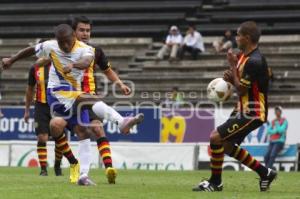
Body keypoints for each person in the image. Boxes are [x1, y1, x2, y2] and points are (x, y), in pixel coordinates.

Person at [1, 24, 144, 185]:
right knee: (87, 101)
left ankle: (83, 175)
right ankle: (121, 122)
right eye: (62, 43)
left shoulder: (86, 49)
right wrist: (11, 60)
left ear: (73, 38)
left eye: (68, 42)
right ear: (58, 41)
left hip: (74, 93)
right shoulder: (51, 46)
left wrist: (73, 65)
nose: (65, 46)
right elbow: (31, 50)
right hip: (57, 93)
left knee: (83, 132)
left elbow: (86, 61)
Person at [193, 21, 276, 192]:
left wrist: (232, 68)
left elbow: (241, 88)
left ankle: (215, 183)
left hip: (254, 111)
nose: (236, 37)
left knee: (215, 137)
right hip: (243, 108)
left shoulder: (255, 60)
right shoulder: (244, 56)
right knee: (228, 146)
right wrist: (231, 75)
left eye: (238, 35)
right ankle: (265, 172)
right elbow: (238, 82)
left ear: (247, 38)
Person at [71, 15, 132, 184]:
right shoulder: (64, 50)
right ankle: (78, 172)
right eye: (81, 30)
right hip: (69, 98)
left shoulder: (95, 51)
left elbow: (107, 70)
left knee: (97, 129)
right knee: (75, 132)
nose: (85, 33)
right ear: (73, 31)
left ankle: (108, 169)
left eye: (88, 30)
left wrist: (119, 83)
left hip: (89, 97)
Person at [24, 60, 64, 176]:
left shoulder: (59, 64)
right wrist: (26, 110)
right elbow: (30, 89)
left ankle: (57, 165)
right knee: (42, 137)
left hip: (57, 104)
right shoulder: (34, 68)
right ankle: (43, 169)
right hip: (40, 106)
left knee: (59, 137)